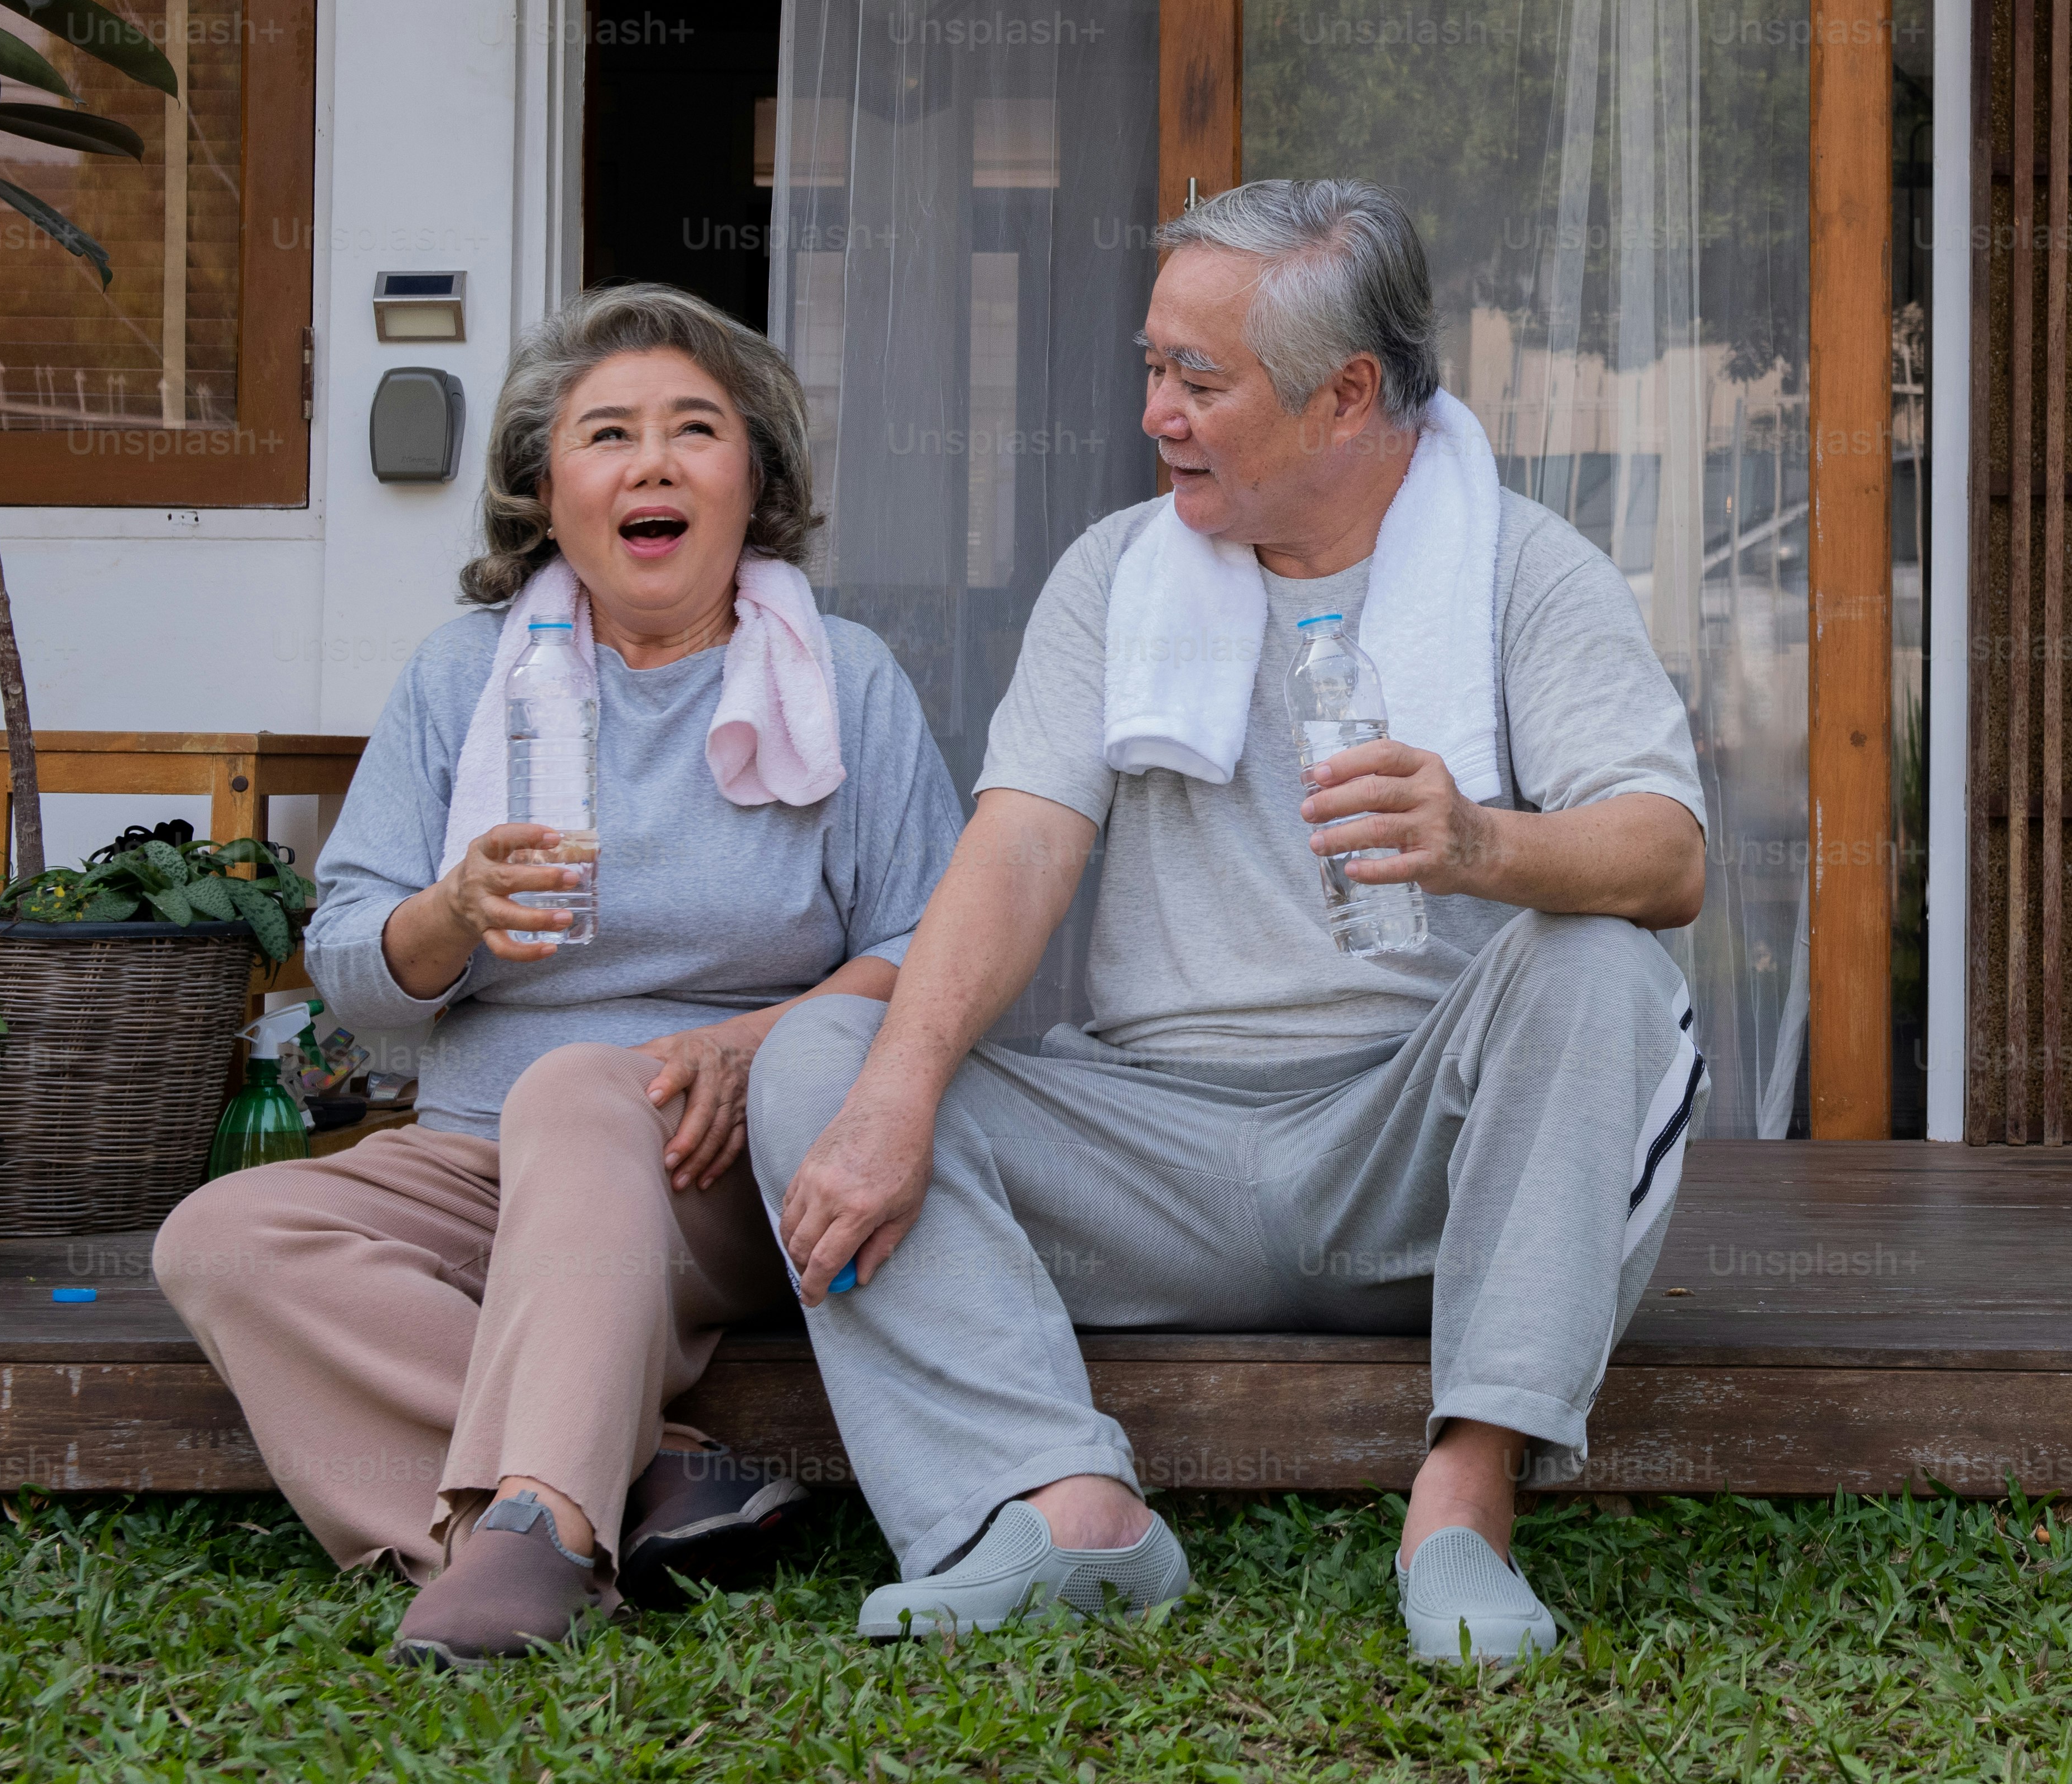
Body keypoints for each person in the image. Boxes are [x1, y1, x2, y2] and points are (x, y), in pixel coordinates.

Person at [750, 178, 1709, 1664]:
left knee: (1604, 962)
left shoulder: (1526, 570)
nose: (1158, 414)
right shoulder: (1117, 577)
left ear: (1347, 397)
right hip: (1150, 1151)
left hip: (1418, 1153)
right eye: (1153, 369)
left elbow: (1666, 856)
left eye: (1200, 380)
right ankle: (1068, 1514)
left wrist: (1479, 843)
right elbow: (1016, 848)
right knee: (824, 1060)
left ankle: (1464, 1504)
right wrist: (892, 1095)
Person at [155, 282, 961, 1667]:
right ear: (546, 489)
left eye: (694, 429)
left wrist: (758, 1039)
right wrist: (451, 912)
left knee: (582, 1089)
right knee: (219, 1238)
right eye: (607, 434)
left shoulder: (846, 678)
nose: (651, 462)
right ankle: (651, 1472)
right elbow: (351, 967)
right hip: (475, 1158)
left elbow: (934, 946)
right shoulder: (461, 678)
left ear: (751, 475)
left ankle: (531, 1523)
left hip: (724, 1165)